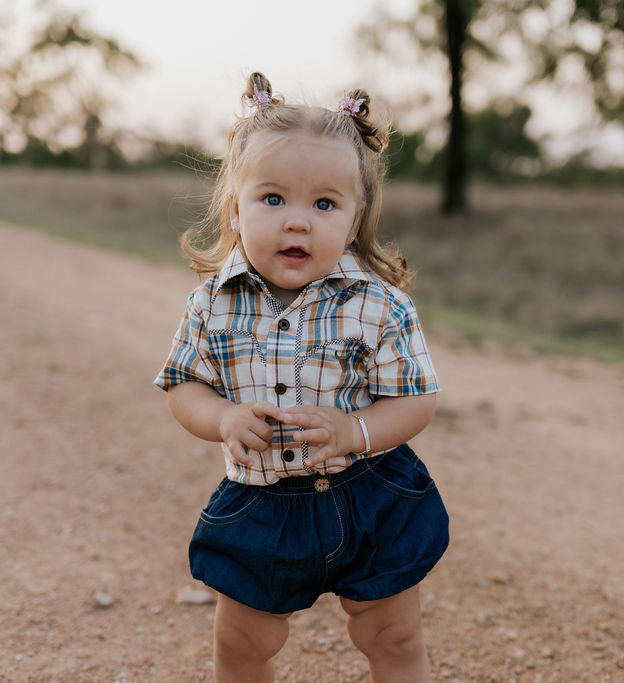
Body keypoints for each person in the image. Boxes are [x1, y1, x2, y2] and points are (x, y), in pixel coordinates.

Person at [154, 71, 449, 683]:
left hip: (370, 493)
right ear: (235, 206)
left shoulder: (381, 307)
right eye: (273, 199)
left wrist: (354, 430)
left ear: (355, 217)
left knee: (392, 635)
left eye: (324, 204)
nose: (297, 222)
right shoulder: (212, 304)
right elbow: (184, 385)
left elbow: (415, 401)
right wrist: (223, 417)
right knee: (242, 641)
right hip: (261, 503)